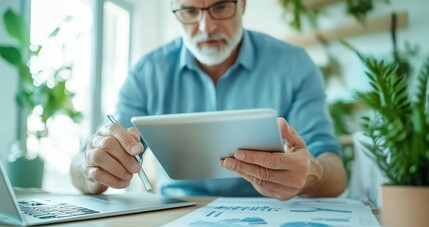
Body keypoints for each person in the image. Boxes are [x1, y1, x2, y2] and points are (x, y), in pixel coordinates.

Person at [70, 0, 346, 200]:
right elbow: (85, 164)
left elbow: (334, 172)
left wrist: (312, 174)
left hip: (272, 215)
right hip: (175, 214)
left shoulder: (294, 64)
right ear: (175, 11)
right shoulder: (147, 73)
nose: (207, 26)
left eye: (221, 6)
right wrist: (93, 164)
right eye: (190, 10)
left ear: (243, 5)